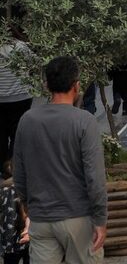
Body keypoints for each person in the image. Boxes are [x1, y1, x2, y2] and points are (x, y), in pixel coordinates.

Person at [13, 56, 107, 263]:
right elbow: (95, 177)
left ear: (47, 85)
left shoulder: (27, 120)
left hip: (41, 217)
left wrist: (29, 207)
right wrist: (100, 219)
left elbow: (18, 173)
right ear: (76, 85)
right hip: (78, 217)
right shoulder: (85, 121)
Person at [0, 29, 32, 172]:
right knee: (17, 133)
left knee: (1, 134)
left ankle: (3, 166)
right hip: (21, 97)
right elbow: (34, 63)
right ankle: (14, 167)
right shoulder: (20, 46)